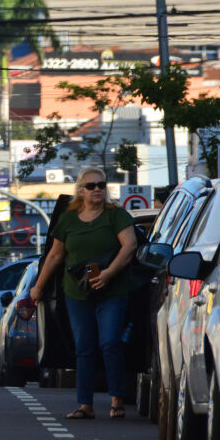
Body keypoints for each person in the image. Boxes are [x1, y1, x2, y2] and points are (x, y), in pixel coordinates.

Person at [30, 167, 137, 420]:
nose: (98, 189)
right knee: (84, 348)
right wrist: (38, 286)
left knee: (109, 342)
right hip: (77, 293)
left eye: (101, 185)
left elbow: (130, 245)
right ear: (81, 191)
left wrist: (109, 273)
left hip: (112, 291)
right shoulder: (68, 220)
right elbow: (55, 255)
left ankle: (117, 399)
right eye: (91, 186)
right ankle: (85, 405)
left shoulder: (116, 215)